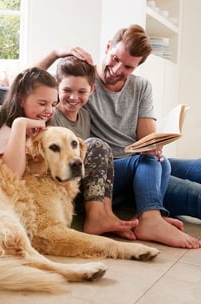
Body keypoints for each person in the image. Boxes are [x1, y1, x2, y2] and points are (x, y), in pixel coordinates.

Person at [36, 24, 201, 249]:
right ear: (107, 48)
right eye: (115, 59)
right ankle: (152, 217)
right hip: (114, 168)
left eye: (127, 67)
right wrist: (56, 52)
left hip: (139, 162)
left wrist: (155, 144)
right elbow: (30, 84)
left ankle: (153, 212)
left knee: (183, 166)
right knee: (189, 191)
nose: (116, 69)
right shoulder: (83, 80)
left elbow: (146, 138)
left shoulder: (140, 86)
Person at [48, 55, 138, 239]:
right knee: (96, 144)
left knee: (105, 150)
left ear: (92, 90)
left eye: (82, 91)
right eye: (67, 90)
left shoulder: (85, 117)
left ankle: (105, 212)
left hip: (79, 184)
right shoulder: (51, 115)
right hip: (60, 185)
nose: (74, 97)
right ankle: (96, 217)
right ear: (56, 87)